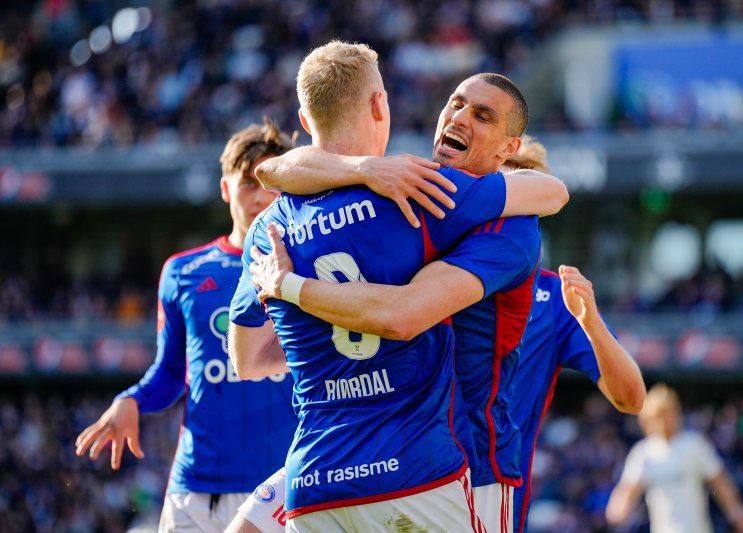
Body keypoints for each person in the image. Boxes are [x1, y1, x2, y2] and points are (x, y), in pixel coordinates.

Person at [228, 40, 567, 533]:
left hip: (464, 461)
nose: (460, 116)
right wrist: (364, 168)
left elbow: (251, 356)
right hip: (411, 460)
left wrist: (291, 290)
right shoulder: (418, 193)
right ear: (380, 105)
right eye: (455, 103)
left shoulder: (272, 225)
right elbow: (272, 170)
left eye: (483, 115)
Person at [75, 119, 297, 532]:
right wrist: (133, 400)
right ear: (225, 188)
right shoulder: (183, 272)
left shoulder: (308, 268)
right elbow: (173, 372)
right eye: (248, 182)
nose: (260, 195)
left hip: (281, 489)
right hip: (196, 492)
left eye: (270, 181)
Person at [497, 138, 647, 533]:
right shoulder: (432, 276)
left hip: (493, 504)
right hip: (408, 488)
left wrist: (591, 321)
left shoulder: (554, 300)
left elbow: (632, 398)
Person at [606, 384, 743, 533]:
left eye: (668, 413)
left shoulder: (694, 445)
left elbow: (720, 482)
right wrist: (617, 510)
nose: (664, 420)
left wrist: (736, 511)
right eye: (659, 414)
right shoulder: (644, 453)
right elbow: (627, 491)